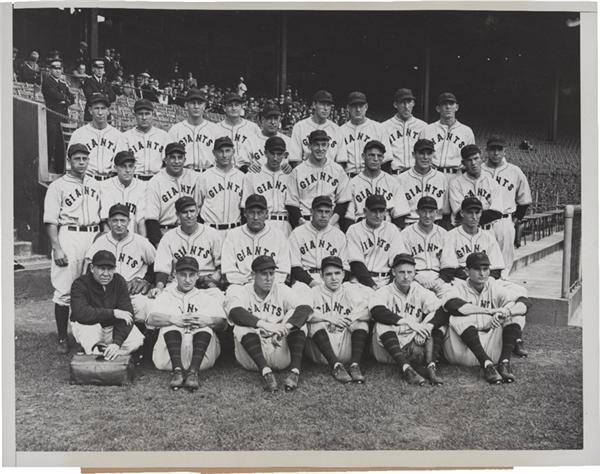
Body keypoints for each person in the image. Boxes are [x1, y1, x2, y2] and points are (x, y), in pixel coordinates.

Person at [43, 144, 102, 354]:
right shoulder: (58, 186)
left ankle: (89, 334)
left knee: (93, 288)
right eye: (77, 159)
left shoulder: (96, 184)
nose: (81, 162)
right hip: (70, 234)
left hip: (94, 234)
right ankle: (62, 337)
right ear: (69, 161)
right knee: (65, 288)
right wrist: (56, 248)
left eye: (85, 158)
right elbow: (50, 221)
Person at [225, 256, 311, 392]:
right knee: (240, 325)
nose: (269, 278)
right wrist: (264, 325)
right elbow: (234, 312)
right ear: (253, 275)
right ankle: (266, 372)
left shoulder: (281, 289)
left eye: (271, 273)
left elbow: (305, 308)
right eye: (264, 273)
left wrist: (286, 328)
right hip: (251, 357)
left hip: (277, 347)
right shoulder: (242, 291)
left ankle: (295, 371)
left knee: (296, 317)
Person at [441, 252, 530, 383]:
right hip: (463, 349)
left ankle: (504, 363)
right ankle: (485, 364)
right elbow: (453, 305)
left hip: (491, 347)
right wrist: (491, 311)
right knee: (458, 316)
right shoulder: (457, 288)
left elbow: (525, 302)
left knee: (516, 315)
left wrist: (505, 312)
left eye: (485, 269)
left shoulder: (494, 288)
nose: (482, 273)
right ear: (466, 271)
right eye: (477, 269)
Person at [146, 256, 227, 391]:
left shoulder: (206, 297)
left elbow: (223, 324)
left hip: (202, 358)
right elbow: (150, 319)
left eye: (191, 275)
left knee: (204, 326)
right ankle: (177, 372)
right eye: (183, 275)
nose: (187, 279)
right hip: (168, 358)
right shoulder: (166, 295)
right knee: (171, 324)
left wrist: (207, 320)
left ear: (197, 276)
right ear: (175, 275)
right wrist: (172, 319)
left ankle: (193, 373)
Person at [369, 253, 447, 386]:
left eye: (410, 272)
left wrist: (425, 326)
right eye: (401, 272)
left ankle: (431, 367)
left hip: (412, 344)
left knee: (438, 325)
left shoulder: (419, 290)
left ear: (414, 273)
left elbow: (442, 309)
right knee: (383, 324)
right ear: (393, 272)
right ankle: (406, 369)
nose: (406, 276)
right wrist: (409, 322)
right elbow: (376, 311)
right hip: (387, 350)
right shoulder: (385, 291)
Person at [84, 204, 156, 332]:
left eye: (122, 220)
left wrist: (146, 280)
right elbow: (89, 267)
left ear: (129, 221)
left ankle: (143, 340)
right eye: (114, 220)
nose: (118, 224)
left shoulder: (141, 242)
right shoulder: (101, 241)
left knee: (145, 306)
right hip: (106, 291)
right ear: (109, 222)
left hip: (133, 292)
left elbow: (156, 264)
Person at [306, 256, 372, 383]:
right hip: (322, 351)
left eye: (337, 273)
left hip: (345, 344)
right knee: (315, 322)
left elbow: (372, 311)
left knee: (361, 321)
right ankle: (335, 365)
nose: (334, 278)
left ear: (343, 274)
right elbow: (304, 315)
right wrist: (329, 318)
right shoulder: (313, 292)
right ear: (321, 276)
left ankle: (354, 365)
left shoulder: (352, 290)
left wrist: (354, 316)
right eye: (329, 274)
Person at [70, 250, 144, 359]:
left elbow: (127, 315)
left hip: (110, 327)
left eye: (110, 269)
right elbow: (81, 313)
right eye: (101, 268)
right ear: (91, 268)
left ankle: (106, 351)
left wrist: (117, 343)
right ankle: (97, 351)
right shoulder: (80, 283)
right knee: (90, 335)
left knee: (137, 340)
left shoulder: (119, 281)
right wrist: (113, 313)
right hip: (88, 325)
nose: (106, 274)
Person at [481, 136, 533, 277]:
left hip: (504, 220)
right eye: (492, 149)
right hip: (482, 222)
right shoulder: (479, 170)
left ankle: (502, 288)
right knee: (482, 262)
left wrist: (515, 220)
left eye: (499, 149)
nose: (496, 153)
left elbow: (524, 199)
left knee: (504, 264)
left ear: (505, 151)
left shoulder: (514, 171)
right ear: (486, 151)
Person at [152, 196, 223, 296]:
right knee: (165, 299)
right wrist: (159, 288)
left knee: (218, 299)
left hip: (206, 280)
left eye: (192, 211)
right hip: (179, 281)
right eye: (185, 212)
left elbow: (222, 263)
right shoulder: (168, 237)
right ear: (177, 215)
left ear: (197, 212)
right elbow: (162, 268)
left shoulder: (212, 234)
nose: (189, 215)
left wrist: (215, 277)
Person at [285, 130, 352, 229]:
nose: (320, 149)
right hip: (305, 220)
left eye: (323, 145)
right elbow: (291, 202)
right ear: (309, 146)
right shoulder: (298, 171)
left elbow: (343, 201)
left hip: (330, 221)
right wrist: (303, 223)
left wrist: (331, 223)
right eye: (316, 145)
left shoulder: (337, 170)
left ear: (328, 146)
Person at [221, 194, 290, 286]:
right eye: (251, 212)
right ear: (245, 213)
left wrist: (262, 282)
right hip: (241, 285)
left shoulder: (278, 236)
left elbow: (282, 272)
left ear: (266, 214)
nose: (256, 217)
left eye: (260, 212)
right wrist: (247, 281)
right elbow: (229, 271)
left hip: (271, 285)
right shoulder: (233, 235)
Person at [145, 142, 201, 247]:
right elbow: (151, 219)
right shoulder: (155, 182)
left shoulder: (195, 178)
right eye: (172, 158)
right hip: (166, 232)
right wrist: (159, 246)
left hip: (192, 234)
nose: (176, 161)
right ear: (165, 160)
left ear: (185, 159)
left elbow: (201, 211)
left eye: (180, 157)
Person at [289, 195, 349, 290]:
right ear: (311, 211)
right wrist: (313, 284)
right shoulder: (297, 233)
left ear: (331, 213)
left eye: (327, 212)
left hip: (332, 279)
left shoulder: (339, 235)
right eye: (320, 211)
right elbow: (294, 266)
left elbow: (345, 267)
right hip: (305, 281)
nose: (324, 215)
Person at [440, 197, 505, 282]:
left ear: (481, 213)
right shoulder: (450, 236)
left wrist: (486, 281)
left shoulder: (489, 238)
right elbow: (448, 269)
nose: (474, 217)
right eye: (470, 213)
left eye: (477, 213)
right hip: (460, 282)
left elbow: (496, 269)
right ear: (462, 213)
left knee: (518, 291)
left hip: (485, 281)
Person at [345, 140, 410, 227]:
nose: (375, 159)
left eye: (379, 156)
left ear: (383, 158)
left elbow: (399, 217)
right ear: (363, 156)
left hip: (386, 228)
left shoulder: (392, 182)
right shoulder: (352, 184)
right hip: (360, 229)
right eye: (371, 155)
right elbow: (349, 218)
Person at [398, 197, 452, 299]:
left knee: (450, 298)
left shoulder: (443, 234)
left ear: (436, 212)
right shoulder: (406, 234)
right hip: (414, 278)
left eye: (431, 211)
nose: (427, 216)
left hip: (438, 278)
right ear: (418, 212)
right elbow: (403, 262)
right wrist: (417, 277)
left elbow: (449, 264)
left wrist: (440, 281)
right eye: (424, 211)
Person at [346, 194, 404, 289]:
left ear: (385, 211)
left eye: (381, 211)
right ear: (365, 211)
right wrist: (372, 286)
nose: (378, 215)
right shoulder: (354, 230)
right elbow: (356, 264)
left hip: (386, 280)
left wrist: (390, 286)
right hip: (360, 281)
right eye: (374, 211)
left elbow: (398, 261)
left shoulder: (392, 229)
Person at [194, 136, 245, 241]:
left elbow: (245, 209)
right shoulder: (204, 177)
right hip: (211, 230)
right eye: (220, 151)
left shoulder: (242, 177)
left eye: (227, 151)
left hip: (235, 230)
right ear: (214, 153)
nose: (224, 155)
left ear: (233, 151)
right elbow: (196, 207)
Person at [68, 93, 126, 180]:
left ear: (108, 111)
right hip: (86, 180)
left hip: (109, 181)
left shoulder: (118, 135)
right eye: (96, 108)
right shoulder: (79, 134)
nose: (100, 113)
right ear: (90, 110)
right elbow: (69, 164)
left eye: (103, 108)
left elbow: (121, 165)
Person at [242, 136, 292, 237]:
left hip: (285, 223)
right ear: (265, 153)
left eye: (279, 154)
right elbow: (244, 206)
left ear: (285, 155)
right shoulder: (253, 175)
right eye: (272, 153)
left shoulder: (290, 175)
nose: (275, 158)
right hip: (262, 223)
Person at [397, 138, 451, 227]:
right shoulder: (401, 179)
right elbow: (398, 214)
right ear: (414, 155)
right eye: (421, 153)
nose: (425, 157)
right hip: (410, 225)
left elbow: (446, 212)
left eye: (429, 153)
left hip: (436, 225)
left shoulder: (441, 178)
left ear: (433, 155)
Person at [448, 144, 504, 226]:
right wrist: (486, 213)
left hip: (488, 230)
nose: (473, 163)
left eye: (476, 158)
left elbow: (497, 213)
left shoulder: (492, 183)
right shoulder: (455, 183)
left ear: (482, 159)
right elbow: (459, 214)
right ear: (463, 163)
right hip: (464, 231)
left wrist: (470, 216)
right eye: (469, 160)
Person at [419, 92, 475, 174]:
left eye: (451, 104)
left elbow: (471, 157)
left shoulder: (466, 131)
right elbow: (419, 156)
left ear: (456, 107)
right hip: (433, 174)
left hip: (457, 175)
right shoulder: (427, 130)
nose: (448, 107)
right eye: (444, 104)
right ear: (438, 108)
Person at [168, 88, 221, 172]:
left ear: (204, 106)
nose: (196, 106)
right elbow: (168, 157)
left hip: (208, 173)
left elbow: (221, 156)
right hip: (184, 174)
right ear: (186, 105)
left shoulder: (214, 129)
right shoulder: (176, 130)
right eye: (193, 103)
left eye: (199, 103)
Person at [289, 90, 347, 165]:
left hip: (331, 174)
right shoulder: (300, 127)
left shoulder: (336, 129)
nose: (325, 108)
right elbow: (295, 159)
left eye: (328, 105)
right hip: (306, 173)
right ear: (314, 105)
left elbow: (341, 161)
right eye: (322, 104)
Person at [339, 92, 390, 177]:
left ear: (366, 107)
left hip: (372, 177)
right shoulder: (341, 131)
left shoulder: (378, 128)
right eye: (354, 106)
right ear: (348, 108)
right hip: (349, 177)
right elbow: (340, 162)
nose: (358, 109)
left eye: (361, 106)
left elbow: (386, 160)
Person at [99, 150, 148, 236]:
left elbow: (141, 221)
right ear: (116, 167)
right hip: (111, 237)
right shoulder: (105, 186)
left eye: (131, 166)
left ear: (135, 168)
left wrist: (143, 241)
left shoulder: (143, 187)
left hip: (133, 239)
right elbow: (105, 221)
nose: (128, 170)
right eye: (123, 166)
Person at [381, 88, 427, 175]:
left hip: (417, 175)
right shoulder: (384, 127)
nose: (406, 106)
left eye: (409, 102)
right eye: (402, 102)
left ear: (413, 103)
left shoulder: (423, 126)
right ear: (395, 104)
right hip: (395, 175)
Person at [122, 99, 171, 181]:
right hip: (135, 179)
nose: (144, 118)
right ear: (135, 115)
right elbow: (121, 164)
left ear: (153, 114)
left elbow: (168, 162)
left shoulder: (163, 136)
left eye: (147, 114)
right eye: (140, 114)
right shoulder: (126, 137)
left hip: (157, 179)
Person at [42, 58, 74, 174]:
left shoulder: (62, 83)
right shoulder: (47, 81)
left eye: (59, 68)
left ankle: (59, 170)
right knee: (50, 143)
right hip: (52, 117)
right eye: (55, 68)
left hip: (63, 117)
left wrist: (64, 100)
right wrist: (65, 99)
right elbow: (54, 96)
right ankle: (46, 170)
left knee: (62, 145)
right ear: (50, 70)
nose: (57, 71)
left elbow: (72, 99)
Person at [214, 93, 262, 171]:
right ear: (224, 108)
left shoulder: (253, 127)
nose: (234, 108)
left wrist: (256, 164)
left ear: (242, 107)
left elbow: (261, 152)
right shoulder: (216, 128)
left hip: (247, 170)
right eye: (230, 105)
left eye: (237, 105)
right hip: (223, 171)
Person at [246, 103, 293, 172]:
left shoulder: (289, 141)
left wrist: (291, 167)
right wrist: (248, 167)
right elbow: (242, 163)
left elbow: (295, 164)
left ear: (280, 120)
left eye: (276, 118)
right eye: (269, 118)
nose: (273, 122)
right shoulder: (251, 141)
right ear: (262, 119)